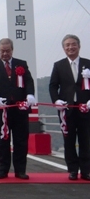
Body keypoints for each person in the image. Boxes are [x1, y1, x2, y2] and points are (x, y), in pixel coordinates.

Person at [0, 37, 36, 180]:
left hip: (20, 109)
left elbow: (29, 81)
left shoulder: (21, 64)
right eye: (2, 51)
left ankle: (20, 170)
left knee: (21, 140)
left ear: (12, 50)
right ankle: (3, 170)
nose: (5, 54)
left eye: (8, 51)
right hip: (1, 110)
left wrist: (30, 94)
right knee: (2, 141)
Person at [49, 34, 90, 181]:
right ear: (64, 48)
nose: (70, 47)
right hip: (66, 110)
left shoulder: (88, 63)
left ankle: (86, 170)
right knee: (69, 140)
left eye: (73, 44)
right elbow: (53, 86)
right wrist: (56, 101)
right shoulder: (58, 65)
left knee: (86, 140)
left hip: (86, 109)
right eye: (67, 45)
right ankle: (72, 170)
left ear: (79, 46)